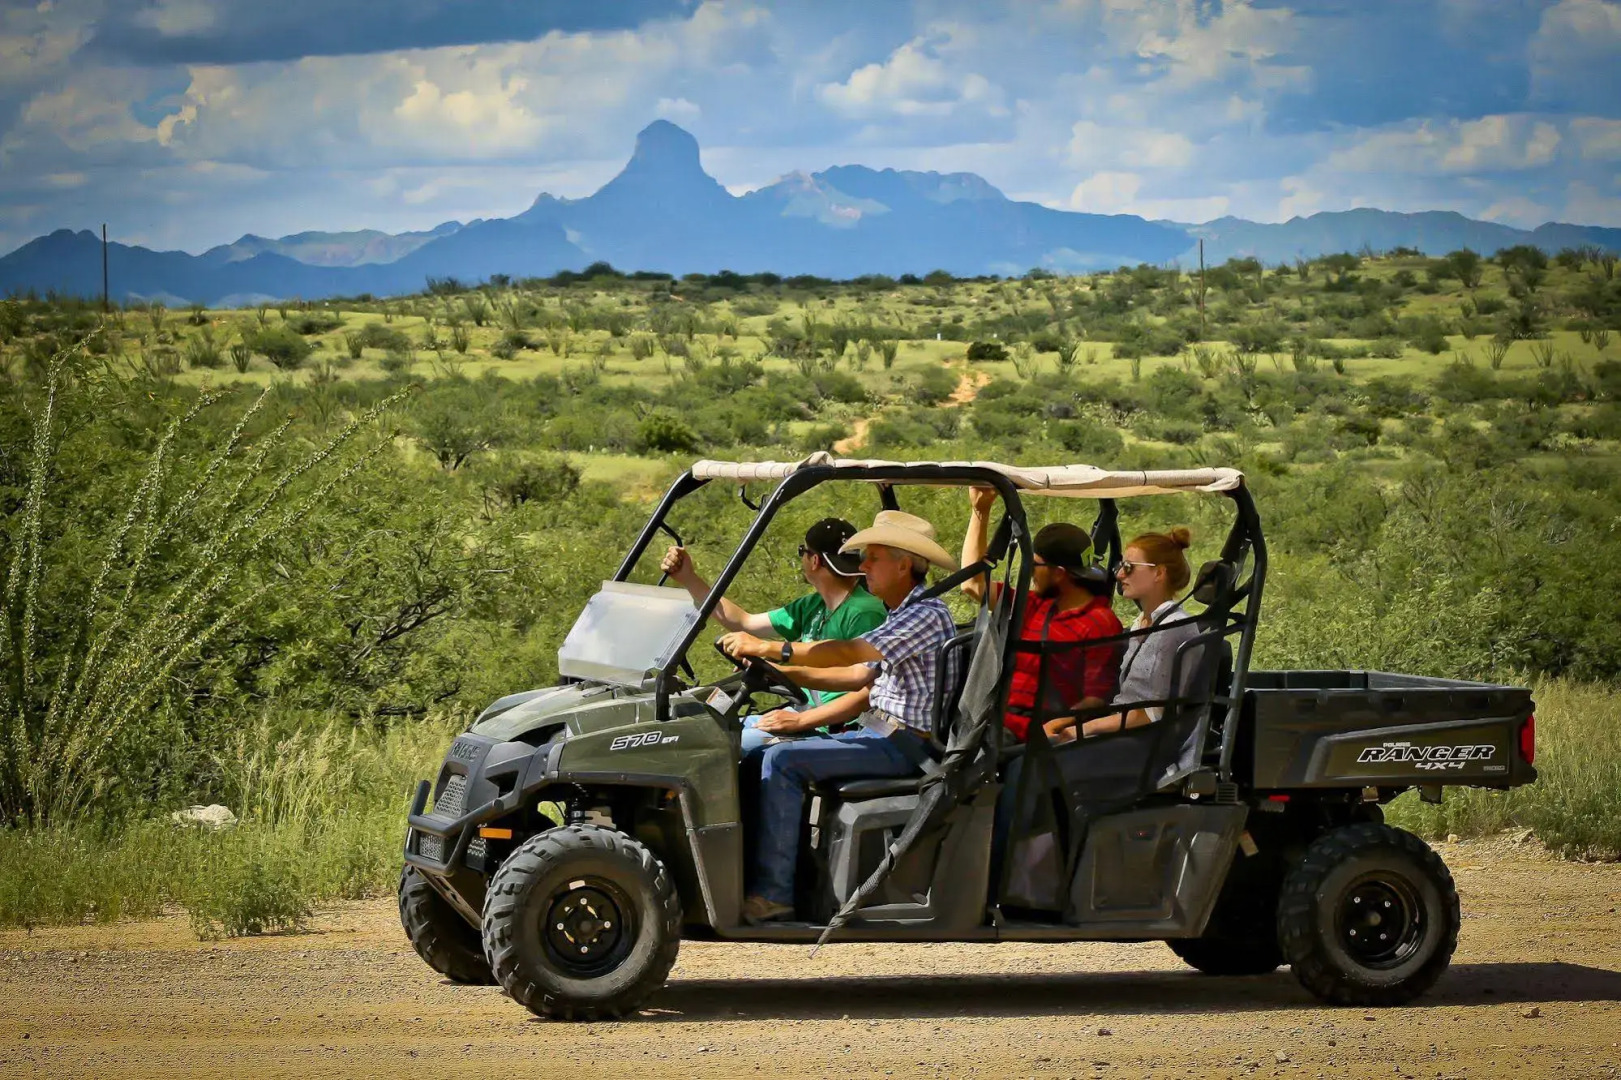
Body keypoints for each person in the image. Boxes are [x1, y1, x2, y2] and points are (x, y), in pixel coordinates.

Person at [716, 509, 959, 924]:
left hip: (904, 744)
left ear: (904, 564)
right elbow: (852, 674)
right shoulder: (901, 611)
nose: (862, 566)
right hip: (881, 733)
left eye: (873, 557)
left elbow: (849, 653)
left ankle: (775, 894)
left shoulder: (925, 614)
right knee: (758, 754)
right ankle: (754, 875)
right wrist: (780, 671)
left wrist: (771, 649)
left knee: (780, 758)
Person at [661, 518, 887, 753]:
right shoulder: (814, 606)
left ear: (814, 560)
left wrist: (798, 712)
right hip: (805, 713)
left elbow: (867, 689)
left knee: (720, 748)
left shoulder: (864, 612)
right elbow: (744, 622)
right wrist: (688, 578)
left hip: (835, 727)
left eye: (803, 551)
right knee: (702, 733)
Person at [960, 487, 1122, 742]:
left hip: (1036, 736)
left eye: (1034, 565)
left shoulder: (1099, 623)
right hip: (995, 723)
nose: (1030, 572)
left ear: (1058, 572)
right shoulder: (1037, 604)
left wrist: (1058, 726)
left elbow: (1097, 697)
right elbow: (972, 585)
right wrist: (980, 511)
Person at [1043, 527, 1202, 744]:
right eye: (1121, 567)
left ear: (1159, 573)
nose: (1119, 574)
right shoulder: (1142, 624)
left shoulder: (1174, 628)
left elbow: (1153, 713)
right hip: (1124, 732)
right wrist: (1067, 721)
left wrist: (1082, 729)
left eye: (1129, 567)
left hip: (1146, 743)